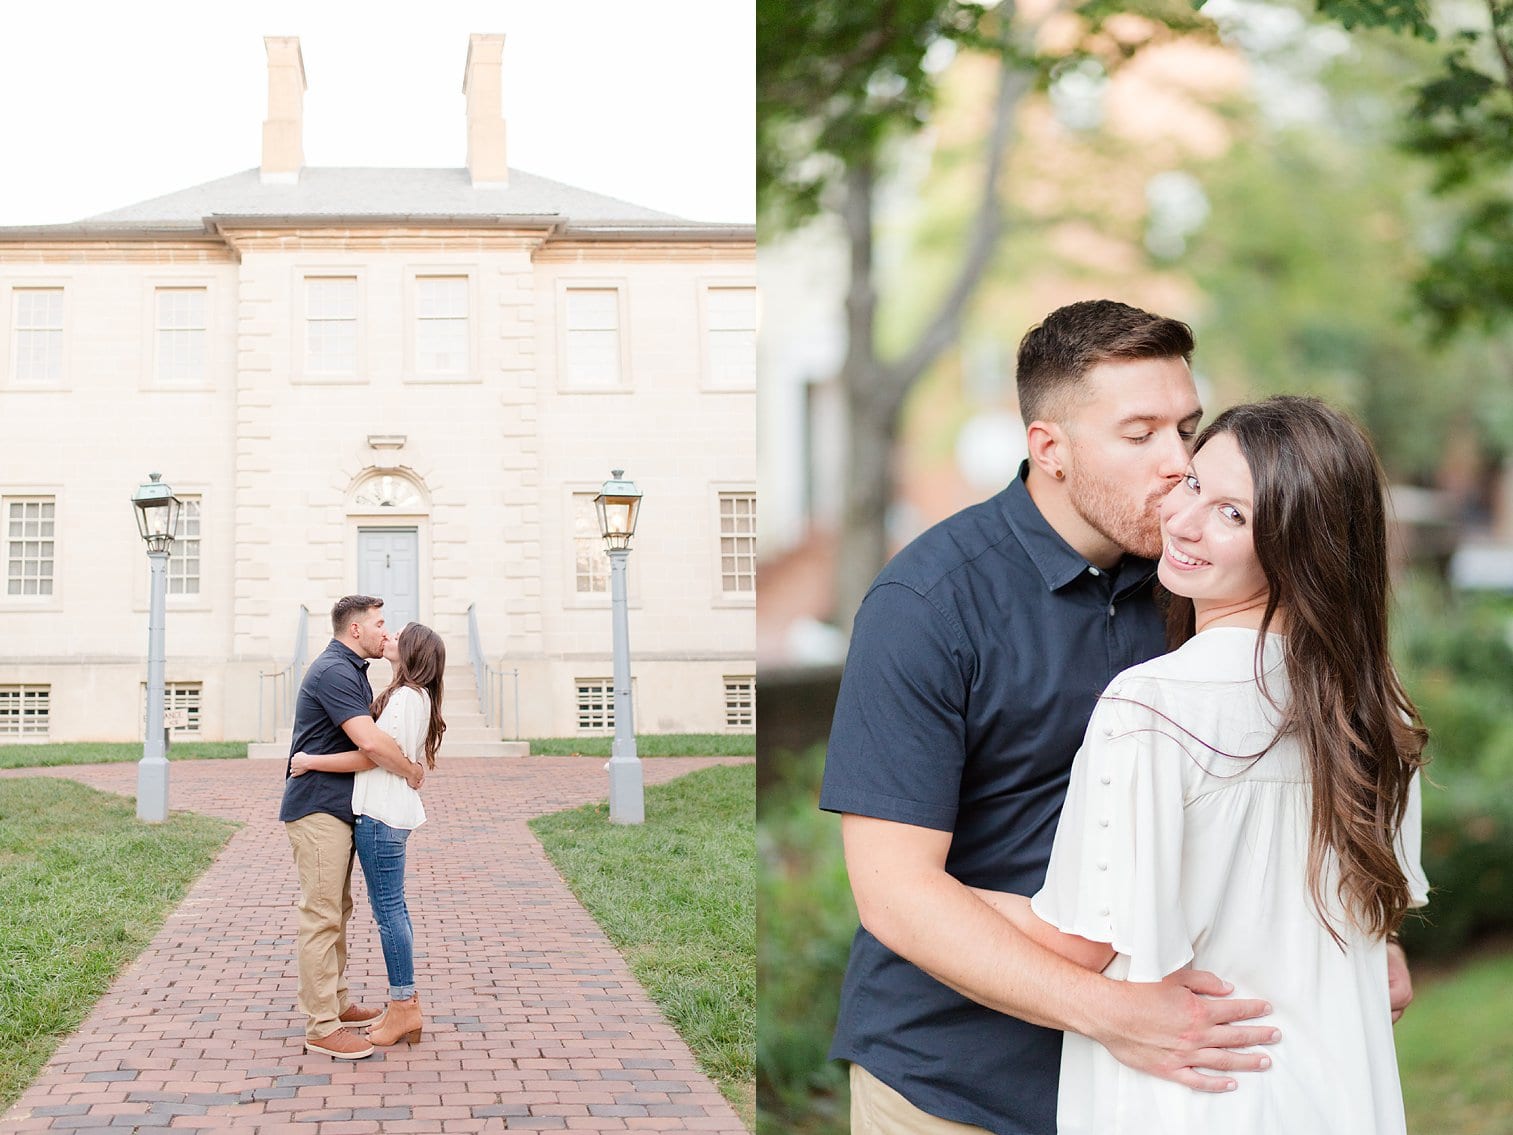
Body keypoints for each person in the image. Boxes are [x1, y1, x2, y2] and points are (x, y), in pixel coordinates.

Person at [819, 300, 1414, 1135]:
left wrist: (1350, 934)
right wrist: (1113, 1011)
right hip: (957, 1086)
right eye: (1139, 435)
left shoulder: (1204, 578)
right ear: (1049, 449)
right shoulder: (926, 604)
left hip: (1169, 1089)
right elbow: (894, 893)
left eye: (1187, 427)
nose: (1177, 464)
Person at [976, 396, 1429, 1133]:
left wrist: (921, 895)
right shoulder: (1377, 715)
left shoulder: (1150, 705)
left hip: (1191, 1097)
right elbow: (1382, 954)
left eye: (1232, 514)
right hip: (1336, 1096)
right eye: (1192, 485)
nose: (1183, 522)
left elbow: (1081, 940)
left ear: (1299, 545)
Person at [279, 595, 423, 1060]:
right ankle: (321, 1026)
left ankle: (336, 1004)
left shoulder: (353, 670)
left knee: (337, 909)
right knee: (322, 915)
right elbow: (370, 743)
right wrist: (411, 770)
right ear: (355, 629)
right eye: (380, 623)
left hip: (336, 807)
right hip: (318, 806)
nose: (387, 631)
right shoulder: (335, 671)